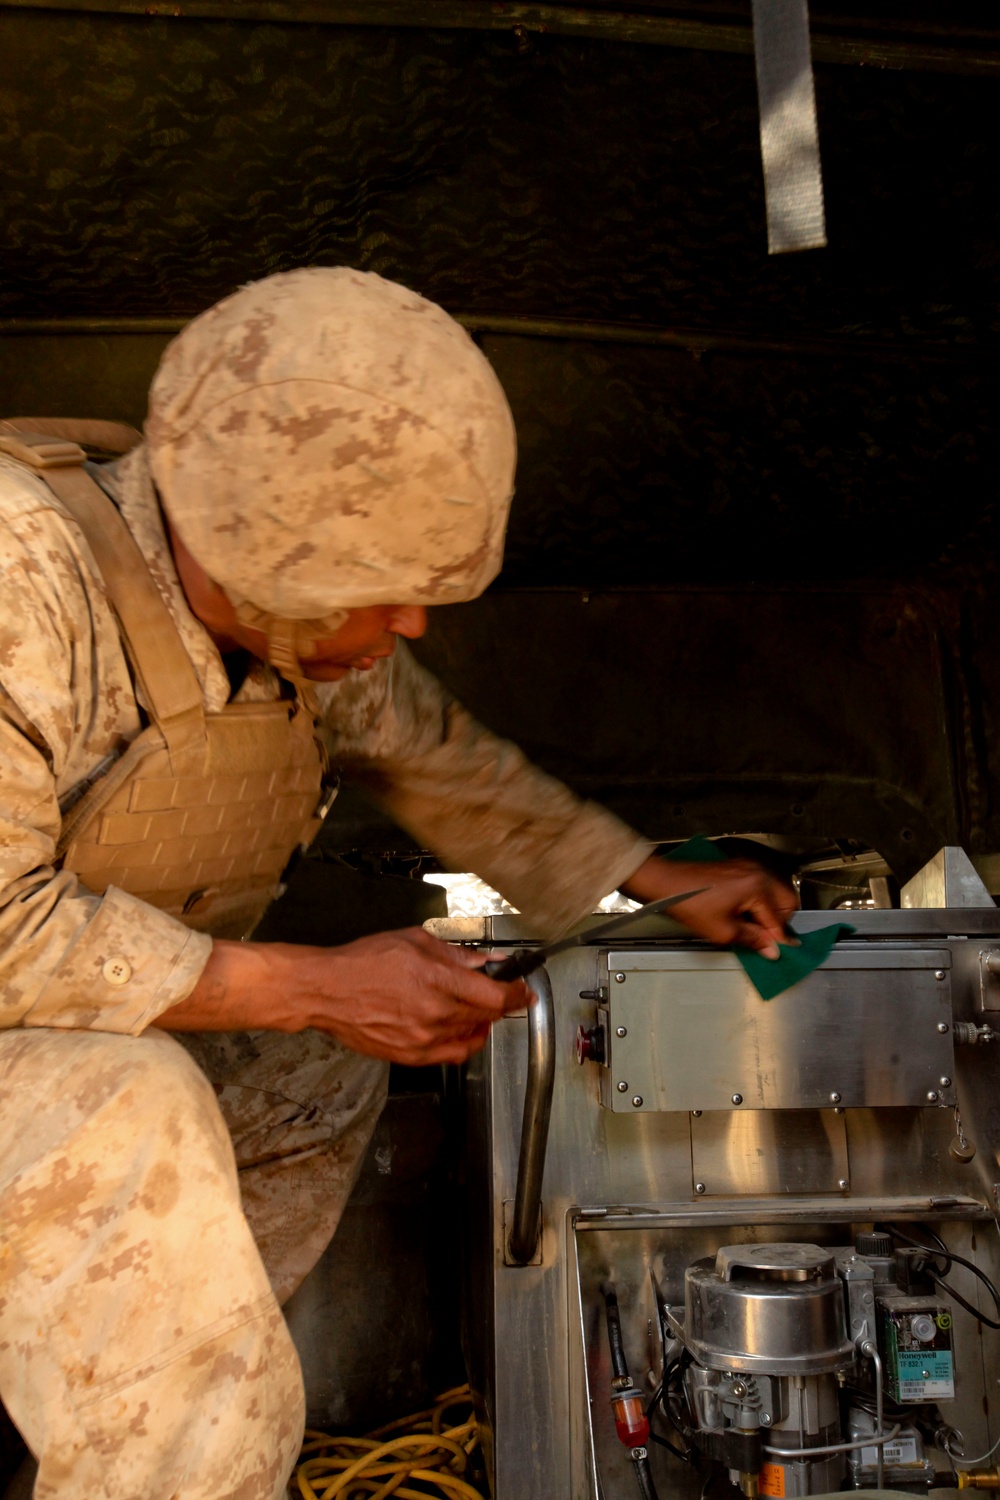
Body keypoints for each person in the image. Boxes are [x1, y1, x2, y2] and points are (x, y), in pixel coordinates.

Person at [0, 268, 795, 1499]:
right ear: (246, 553)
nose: (414, 623)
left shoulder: (287, 620)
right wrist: (310, 979)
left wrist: (646, 878)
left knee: (312, 1074)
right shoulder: (23, 574)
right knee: (136, 1104)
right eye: (386, 592)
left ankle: (127, 1438)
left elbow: (437, 758)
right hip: (49, 1052)